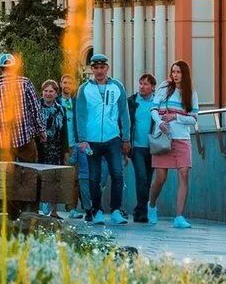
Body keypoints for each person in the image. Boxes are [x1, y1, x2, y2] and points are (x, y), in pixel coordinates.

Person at [75, 53, 131, 226]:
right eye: (96, 68)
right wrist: (82, 139)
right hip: (91, 140)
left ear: (107, 68)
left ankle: (115, 210)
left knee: (117, 173)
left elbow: (124, 113)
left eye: (102, 67)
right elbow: (81, 115)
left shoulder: (117, 87)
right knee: (94, 177)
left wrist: (126, 138)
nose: (99, 71)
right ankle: (97, 210)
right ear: (92, 69)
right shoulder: (84, 89)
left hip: (112, 138)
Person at [148, 61, 199, 229]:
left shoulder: (190, 93)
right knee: (160, 178)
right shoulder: (164, 88)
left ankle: (179, 216)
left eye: (178, 72)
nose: (175, 74)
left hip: (182, 138)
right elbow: (154, 109)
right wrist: (160, 122)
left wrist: (176, 117)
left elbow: (193, 118)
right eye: (173, 71)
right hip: (163, 137)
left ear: (184, 74)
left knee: (184, 174)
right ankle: (152, 205)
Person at [0, 53, 45, 162]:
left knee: (8, 175)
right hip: (25, 137)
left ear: (0, 68)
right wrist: (41, 130)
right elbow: (35, 109)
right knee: (30, 172)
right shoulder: (25, 83)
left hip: (3, 141)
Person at [127, 73, 157, 223]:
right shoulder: (132, 102)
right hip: (136, 147)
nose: (142, 87)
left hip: (153, 147)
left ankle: (139, 209)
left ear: (152, 87)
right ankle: (143, 211)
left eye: (145, 84)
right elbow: (125, 123)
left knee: (148, 180)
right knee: (141, 178)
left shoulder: (157, 102)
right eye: (140, 83)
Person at [38, 79, 70, 218]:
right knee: (40, 178)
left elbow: (65, 132)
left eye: (51, 91)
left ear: (56, 93)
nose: (48, 94)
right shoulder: (36, 107)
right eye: (46, 91)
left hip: (56, 148)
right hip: (40, 148)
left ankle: (54, 210)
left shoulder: (60, 109)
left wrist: (65, 151)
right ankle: (38, 206)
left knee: (55, 179)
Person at [59, 74, 88, 219]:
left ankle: (72, 208)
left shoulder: (77, 103)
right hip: (59, 146)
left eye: (69, 83)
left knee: (75, 178)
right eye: (64, 83)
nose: (67, 86)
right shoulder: (57, 102)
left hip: (75, 145)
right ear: (60, 84)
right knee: (61, 177)